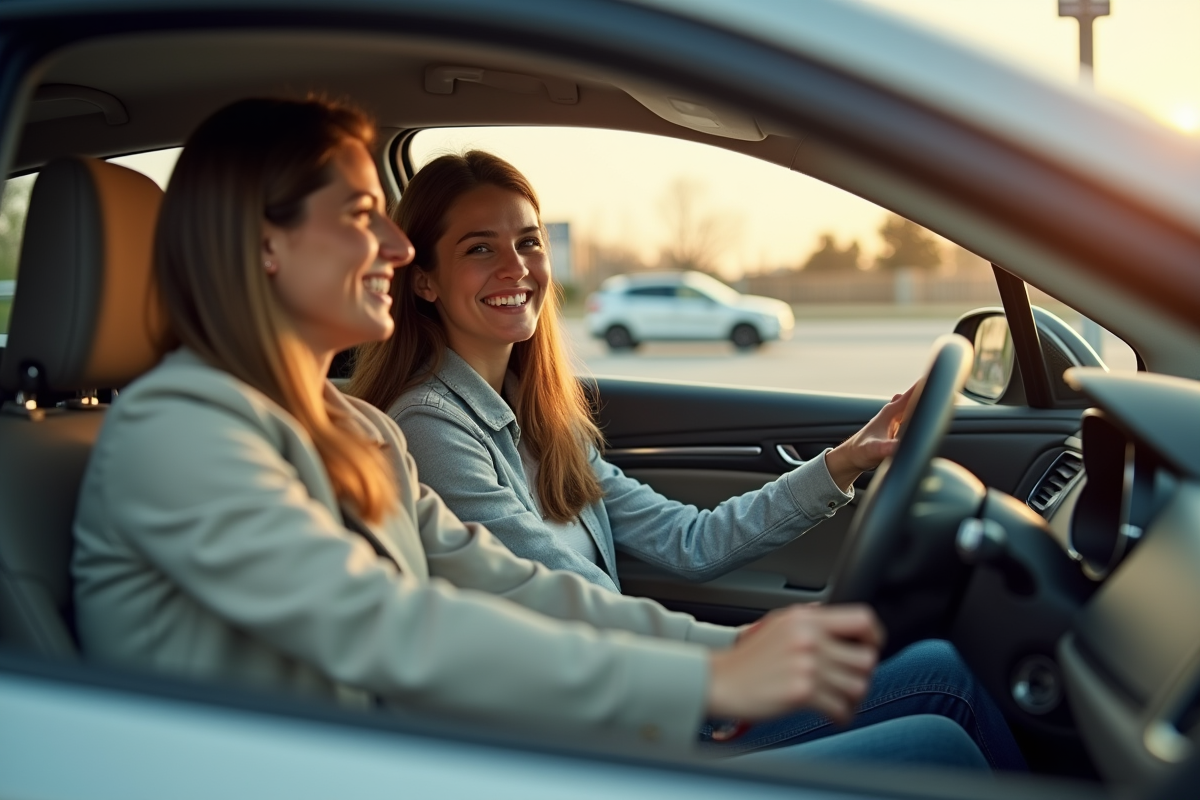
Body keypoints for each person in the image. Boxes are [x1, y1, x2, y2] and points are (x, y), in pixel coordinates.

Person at [71, 97, 988, 769]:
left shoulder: (348, 427)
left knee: (938, 695)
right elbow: (386, 626)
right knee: (939, 730)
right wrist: (703, 687)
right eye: (363, 219)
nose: (394, 250)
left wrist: (727, 653)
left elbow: (509, 582)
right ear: (262, 244)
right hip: (380, 767)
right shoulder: (179, 432)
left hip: (413, 759)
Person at [349, 150, 1025, 769]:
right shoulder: (429, 425)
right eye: (479, 249)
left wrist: (844, 462)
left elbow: (689, 541)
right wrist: (724, 663)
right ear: (425, 283)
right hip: (589, 733)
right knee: (944, 721)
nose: (516, 267)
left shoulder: (539, 414)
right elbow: (555, 597)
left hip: (635, 692)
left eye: (528, 241)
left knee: (941, 664)